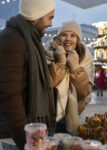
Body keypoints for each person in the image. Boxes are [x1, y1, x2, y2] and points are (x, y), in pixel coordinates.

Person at [0, 0, 56, 149]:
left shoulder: (26, 38)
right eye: (50, 18)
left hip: (20, 132)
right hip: (13, 136)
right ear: (36, 16)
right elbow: (9, 96)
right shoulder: (14, 40)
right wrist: (27, 141)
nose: (51, 24)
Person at [45, 21, 95, 135]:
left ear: (77, 40)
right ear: (58, 38)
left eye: (73, 36)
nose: (68, 39)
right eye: (64, 35)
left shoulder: (86, 59)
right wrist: (61, 61)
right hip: (49, 114)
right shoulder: (47, 54)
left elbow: (84, 92)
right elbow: (50, 82)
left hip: (71, 115)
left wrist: (75, 67)